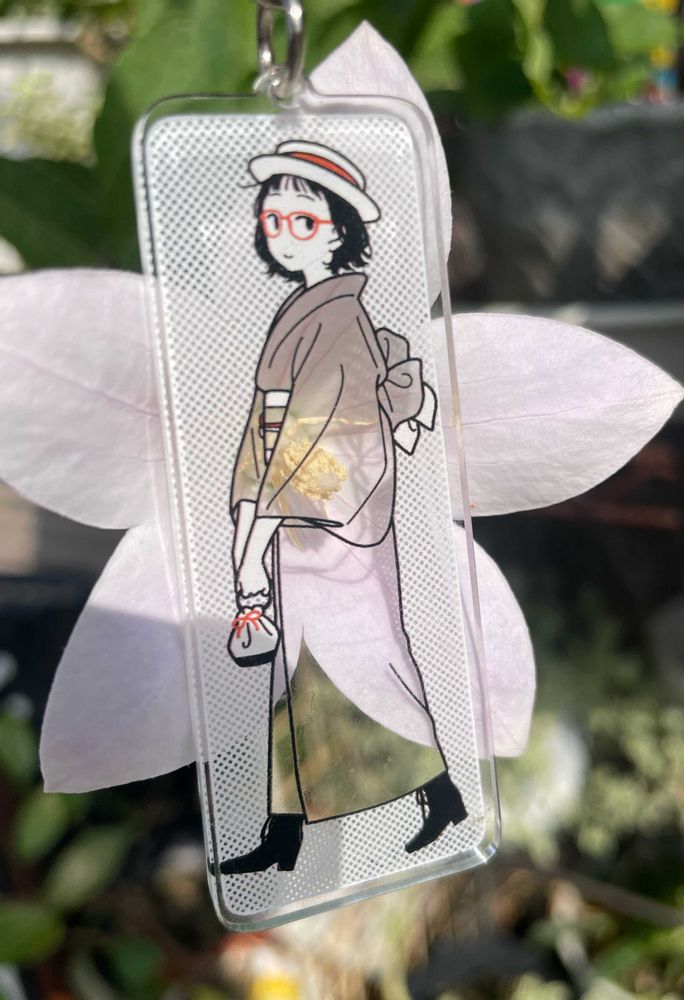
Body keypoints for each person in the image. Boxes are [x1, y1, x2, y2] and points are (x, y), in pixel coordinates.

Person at [217, 140, 466, 875]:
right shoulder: (308, 311)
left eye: (303, 220)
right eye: (273, 221)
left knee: (371, 657)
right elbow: (275, 424)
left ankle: (442, 793)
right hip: (300, 510)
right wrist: (253, 507)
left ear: (339, 232)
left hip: (327, 521)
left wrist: (261, 517)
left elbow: (329, 429)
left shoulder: (337, 319)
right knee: (296, 673)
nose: (283, 233)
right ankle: (286, 831)